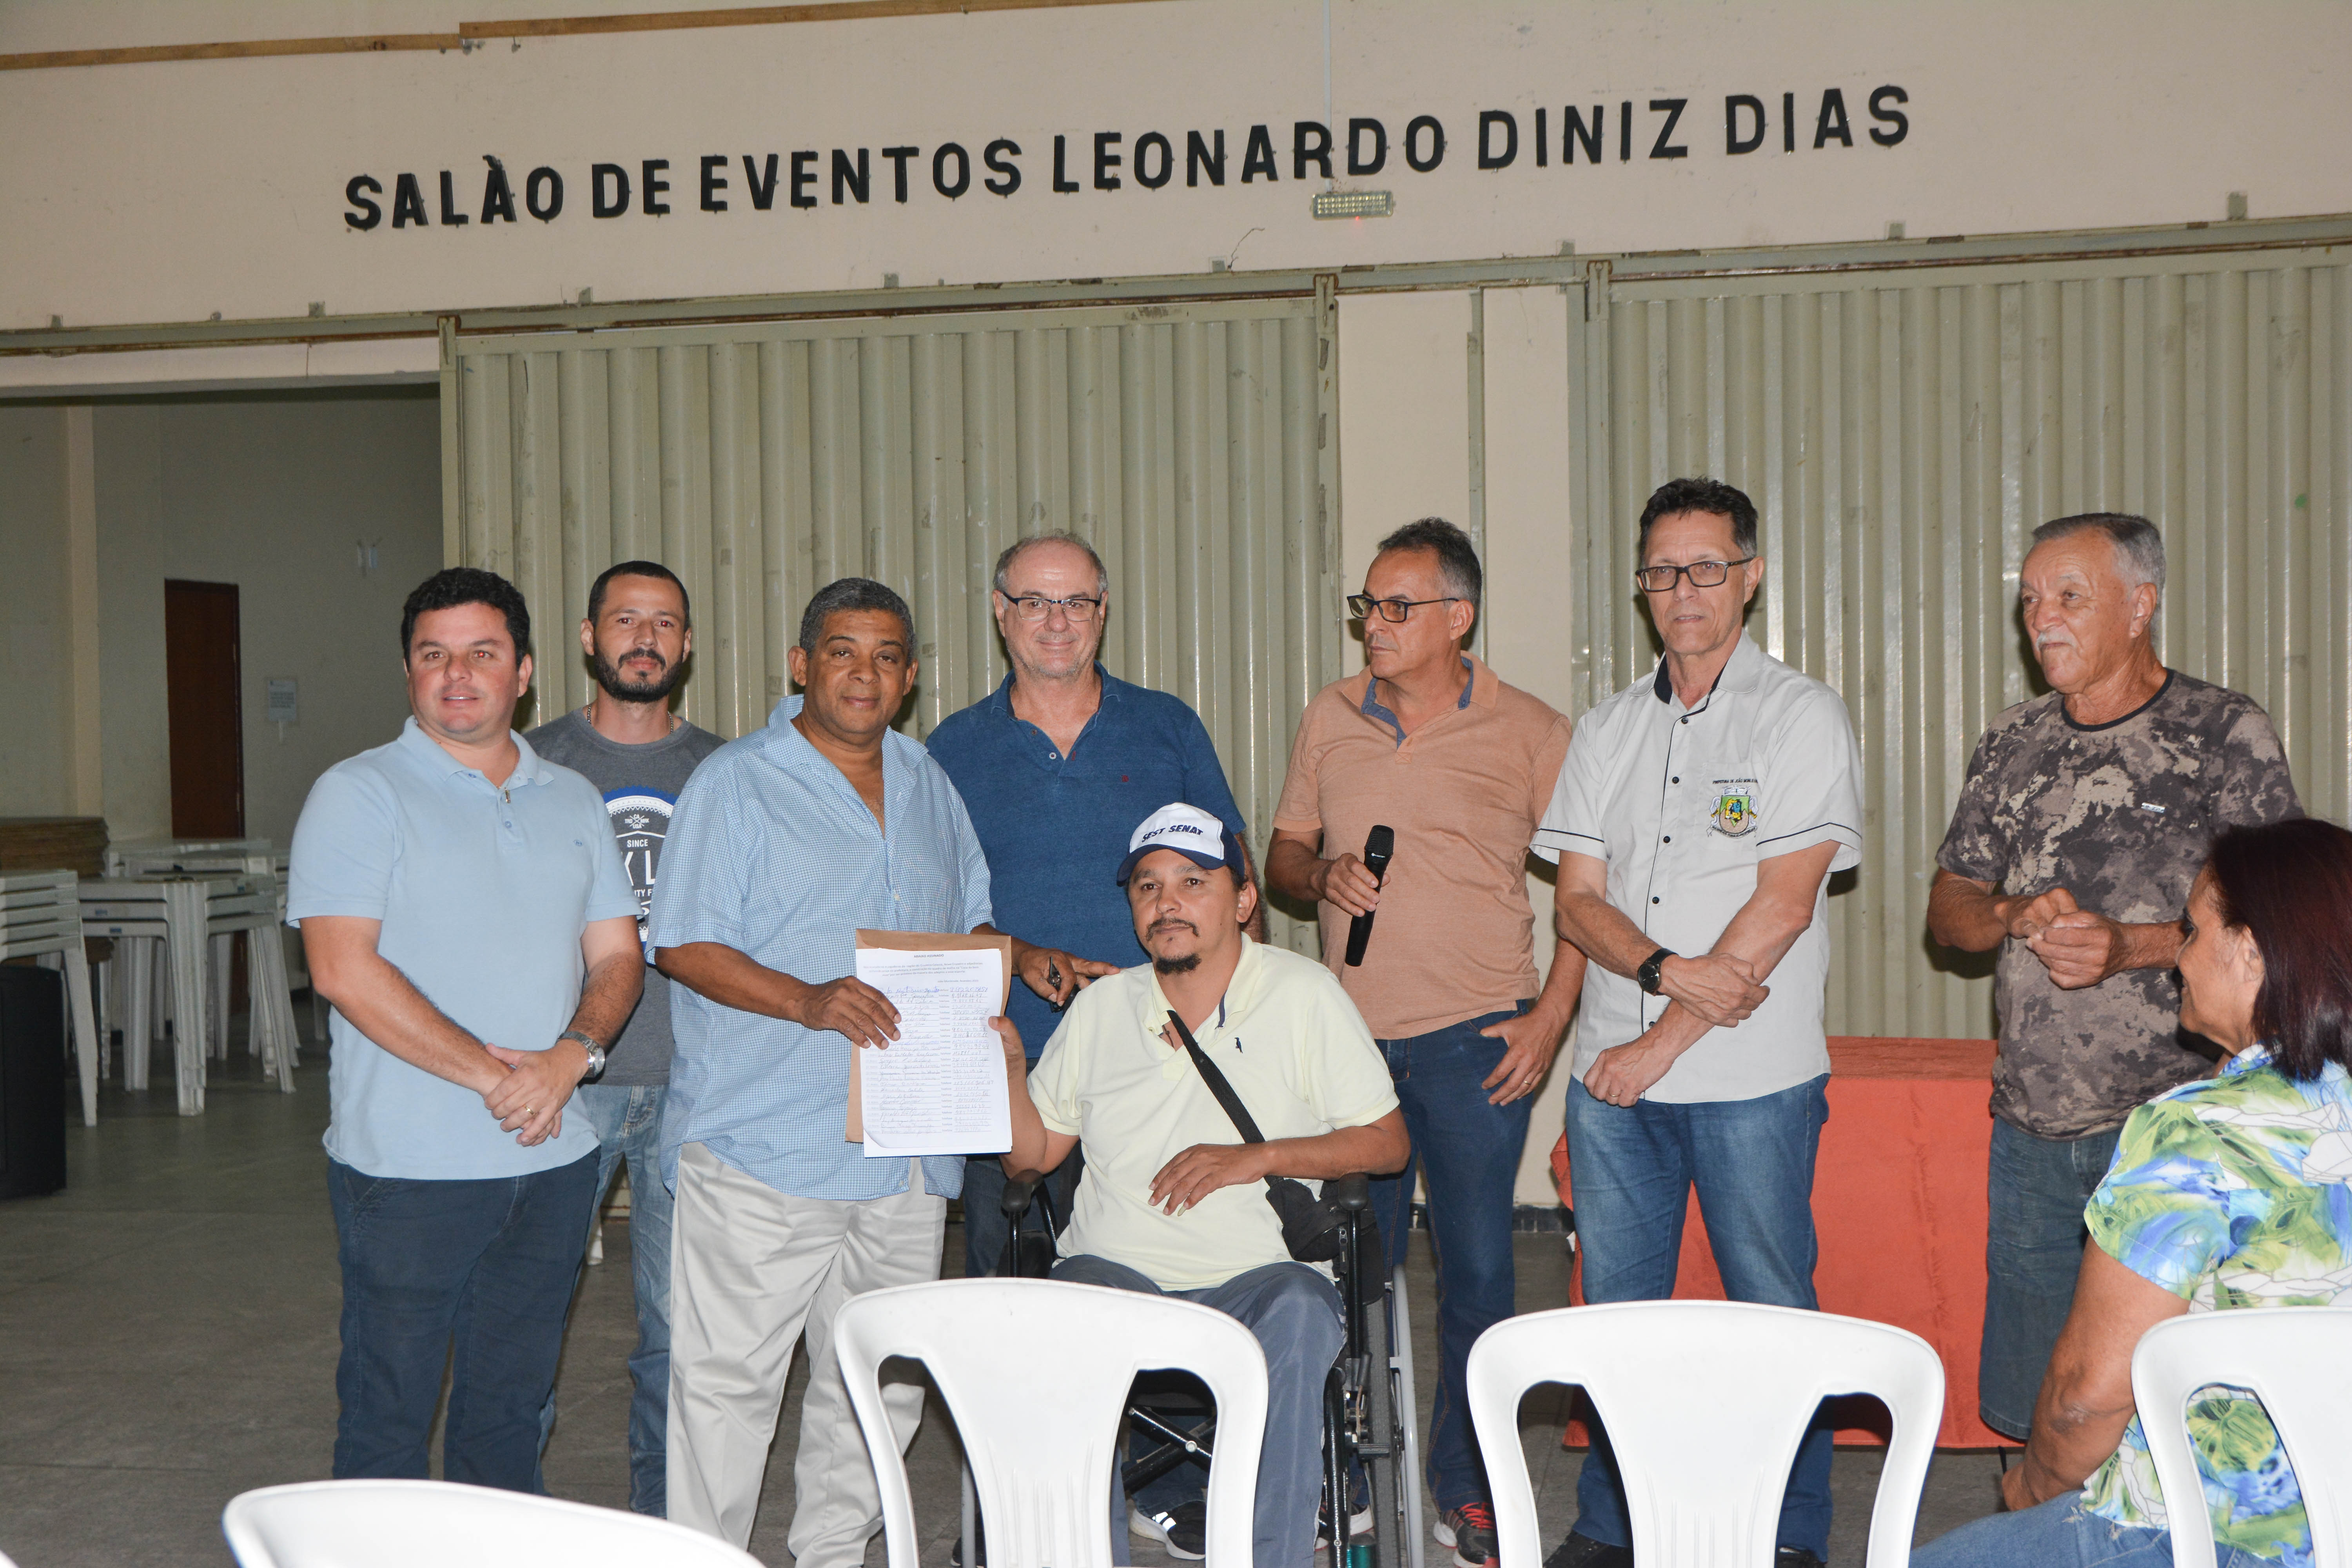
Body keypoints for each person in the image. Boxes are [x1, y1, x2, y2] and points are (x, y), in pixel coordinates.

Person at [651, 576, 1112, 1557]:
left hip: (907, 1148)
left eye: (887, 656)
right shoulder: (737, 782)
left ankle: (834, 1553)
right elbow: (683, 942)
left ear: (909, 678)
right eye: (843, 651)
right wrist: (808, 999)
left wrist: (1018, 954)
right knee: (727, 1391)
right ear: (801, 664)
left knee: (878, 1384)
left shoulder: (927, 782)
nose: (865, 674)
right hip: (766, 1145)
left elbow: (962, 925)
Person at [1535, 477, 1863, 1568]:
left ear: (1750, 577)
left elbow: (1783, 905)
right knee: (1616, 1311)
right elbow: (1578, 901)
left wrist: (1660, 1041)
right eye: (1663, 571)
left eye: (1707, 568)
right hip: (1612, 1083)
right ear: (1642, 586)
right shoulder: (1608, 728)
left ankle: (1792, 1533)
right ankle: (1612, 1524)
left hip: (1749, 1078)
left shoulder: (1799, 715)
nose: (1684, 590)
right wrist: (1666, 970)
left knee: (1773, 1303)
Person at [1927, 512, 2301, 1441]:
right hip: (2034, 1128)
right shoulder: (2011, 742)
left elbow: (2277, 919)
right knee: (2033, 1402)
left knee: (2170, 1401)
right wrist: (2012, 912)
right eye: (2029, 600)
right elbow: (1949, 911)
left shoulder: (2223, 733)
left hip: (2178, 1127)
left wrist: (2128, 946)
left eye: (2069, 596)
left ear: (2141, 607)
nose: (2041, 619)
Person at [1913, 817, 2352, 1568]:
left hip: (2201, 1533)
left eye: (2193, 931)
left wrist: (2034, 1487)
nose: (2178, 958)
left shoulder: (2197, 1135)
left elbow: (2088, 1397)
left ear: (2250, 952)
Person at [1265, 517, 1579, 1568]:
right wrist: (1320, 874)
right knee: (1347, 1270)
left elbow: (1592, 890)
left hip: (1476, 1041)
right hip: (1350, 1047)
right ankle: (1346, 1474)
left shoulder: (1530, 731)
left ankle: (1468, 1485)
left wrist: (1550, 1016)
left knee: (1479, 1272)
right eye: (1368, 604)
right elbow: (1281, 858)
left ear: (1459, 617)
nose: (1375, 624)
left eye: (1398, 606)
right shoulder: (1331, 716)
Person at [288, 566, 644, 1490]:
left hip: (554, 1160)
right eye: (433, 654)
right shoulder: (357, 792)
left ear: (524, 670)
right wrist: (501, 1079)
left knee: (510, 1416)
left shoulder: (573, 797)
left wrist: (572, 1057)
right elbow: (342, 968)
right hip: (409, 1171)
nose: (457, 674)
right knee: (388, 1419)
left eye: (482, 653)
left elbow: (618, 956)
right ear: (408, 671)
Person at [1002, 801, 1410, 1568]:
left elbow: (1387, 1145)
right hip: (1117, 1278)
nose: (1168, 902)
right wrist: (1011, 1068)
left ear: (1244, 899)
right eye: (1148, 886)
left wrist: (1253, 1157)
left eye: (1193, 881)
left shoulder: (1304, 994)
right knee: (1067, 1305)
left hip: (1259, 1284)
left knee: (1302, 1308)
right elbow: (1032, 1157)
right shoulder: (1101, 1008)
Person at [926, 532, 1249, 1282]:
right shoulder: (951, 748)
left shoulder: (1168, 727)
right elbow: (930, 911)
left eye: (1076, 602)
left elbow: (1230, 876)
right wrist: (1016, 957)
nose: (1057, 621)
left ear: (1102, 611)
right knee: (1008, 1289)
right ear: (1001, 612)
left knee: (1148, 1276)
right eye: (1035, 602)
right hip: (1006, 1058)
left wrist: (1230, 1027)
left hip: (1158, 1055)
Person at [524, 558, 723, 1516]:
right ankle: (509, 1514)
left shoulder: (726, 772)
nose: (645, 638)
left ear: (687, 644)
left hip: (697, 1087)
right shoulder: (529, 764)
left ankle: (665, 1527)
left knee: (682, 1339)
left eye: (664, 622)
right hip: (567, 1085)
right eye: (625, 619)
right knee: (524, 1319)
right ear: (587, 636)